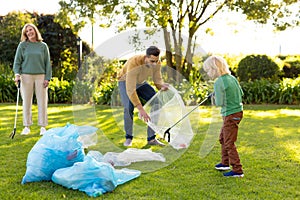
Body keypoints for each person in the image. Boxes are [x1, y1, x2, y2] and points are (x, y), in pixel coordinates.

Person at [118, 46, 169, 147]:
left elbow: (157, 79)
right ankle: (128, 138)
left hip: (141, 82)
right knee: (128, 107)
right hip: (125, 82)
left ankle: (151, 138)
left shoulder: (156, 63)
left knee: (157, 103)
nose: (154, 64)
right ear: (146, 57)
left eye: (156, 61)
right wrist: (140, 109)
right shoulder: (134, 63)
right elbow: (131, 89)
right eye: (152, 61)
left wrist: (161, 86)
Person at [203, 55, 244, 177]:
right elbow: (241, 93)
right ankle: (224, 163)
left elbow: (220, 103)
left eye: (208, 70)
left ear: (214, 69)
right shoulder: (232, 78)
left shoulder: (219, 82)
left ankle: (237, 170)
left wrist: (215, 95)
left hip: (230, 114)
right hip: (237, 112)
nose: (208, 73)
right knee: (223, 138)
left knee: (228, 142)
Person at [13, 23, 52, 136]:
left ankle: (43, 127)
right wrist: (17, 74)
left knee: (42, 102)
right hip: (26, 76)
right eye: (27, 31)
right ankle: (27, 126)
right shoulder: (22, 46)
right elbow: (17, 62)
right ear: (25, 34)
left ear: (35, 31)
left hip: (41, 76)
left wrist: (47, 78)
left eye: (31, 30)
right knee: (26, 102)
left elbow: (47, 64)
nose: (29, 32)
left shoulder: (43, 46)